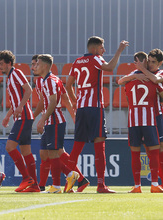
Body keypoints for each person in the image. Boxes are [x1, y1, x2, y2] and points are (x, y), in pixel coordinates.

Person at [66, 36, 129, 193]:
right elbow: (110, 67)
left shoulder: (77, 62)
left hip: (81, 109)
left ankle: (69, 184)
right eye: (102, 48)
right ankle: (101, 185)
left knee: (76, 148)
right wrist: (119, 51)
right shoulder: (96, 59)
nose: (104, 51)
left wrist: (76, 101)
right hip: (95, 108)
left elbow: (68, 85)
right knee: (99, 146)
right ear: (94, 49)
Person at [32, 55, 89, 192]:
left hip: (55, 121)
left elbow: (57, 100)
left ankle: (58, 185)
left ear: (44, 66)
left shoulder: (51, 81)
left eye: (36, 64)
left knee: (54, 153)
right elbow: (45, 101)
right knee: (45, 154)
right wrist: (34, 117)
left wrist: (42, 119)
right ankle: (73, 176)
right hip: (50, 121)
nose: (34, 67)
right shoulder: (43, 81)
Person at [0, 50, 39, 192]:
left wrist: (20, 107)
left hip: (24, 116)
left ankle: (26, 178)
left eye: (1, 64)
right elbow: (16, 100)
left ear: (9, 63)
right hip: (22, 116)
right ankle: (35, 186)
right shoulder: (10, 77)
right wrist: (8, 115)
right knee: (26, 152)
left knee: (10, 146)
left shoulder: (16, 73)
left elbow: (28, 90)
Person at [118, 49, 163, 186]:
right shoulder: (137, 74)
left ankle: (158, 182)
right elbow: (121, 80)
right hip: (146, 118)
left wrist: (142, 70)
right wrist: (135, 76)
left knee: (159, 150)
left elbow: (155, 79)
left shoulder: (160, 73)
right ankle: (155, 182)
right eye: (148, 61)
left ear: (160, 63)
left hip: (157, 117)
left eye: (153, 62)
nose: (150, 64)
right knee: (151, 151)